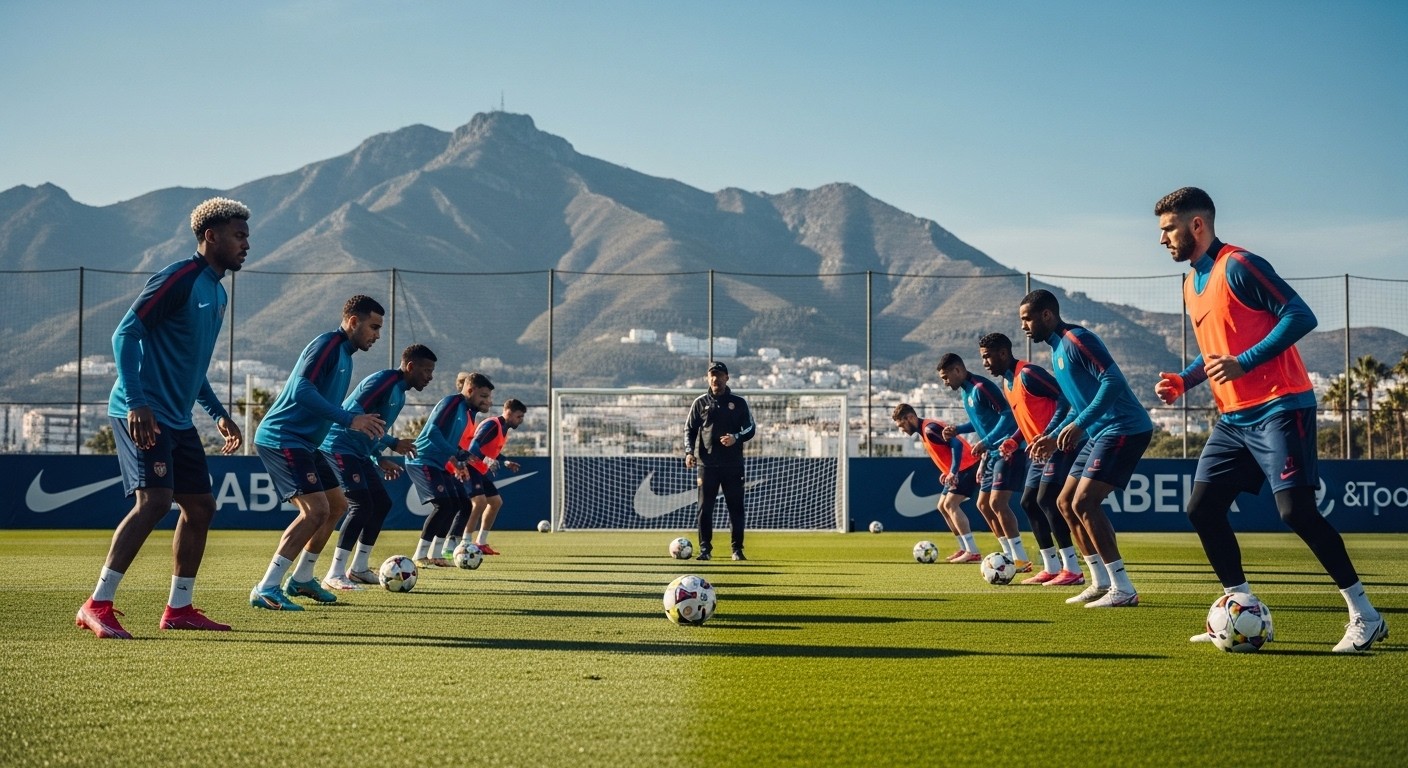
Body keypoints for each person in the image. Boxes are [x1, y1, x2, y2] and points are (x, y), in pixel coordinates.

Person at [1154, 186, 1386, 652]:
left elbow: (1301, 314)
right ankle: (1237, 609)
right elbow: (1215, 353)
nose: (1163, 239)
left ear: (1196, 224)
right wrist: (1184, 380)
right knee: (1202, 508)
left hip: (1282, 406)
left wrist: (1248, 360)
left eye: (1169, 229)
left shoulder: (1238, 265)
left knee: (1296, 511)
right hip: (1233, 419)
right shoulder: (1188, 284)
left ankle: (1366, 614)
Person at [76, 197, 249, 638]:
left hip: (176, 416)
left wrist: (218, 414)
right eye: (239, 235)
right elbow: (124, 333)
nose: (246, 244)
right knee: (154, 501)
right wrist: (136, 402)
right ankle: (97, 603)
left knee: (200, 506)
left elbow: (193, 366)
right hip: (142, 412)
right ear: (211, 236)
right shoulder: (179, 278)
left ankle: (179, 608)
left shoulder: (219, 292)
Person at [248, 295, 387, 610]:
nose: (377, 335)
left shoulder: (345, 356)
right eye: (374, 327)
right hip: (283, 437)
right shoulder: (327, 345)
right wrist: (350, 419)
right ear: (353, 321)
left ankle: (302, 578)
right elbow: (302, 389)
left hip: (306, 444)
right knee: (315, 511)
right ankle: (267, 587)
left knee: (336, 506)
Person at [1020, 289, 1152, 608]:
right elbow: (1071, 403)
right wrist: (1051, 435)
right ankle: (1100, 581)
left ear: (1047, 315)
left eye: (1027, 318)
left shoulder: (1077, 340)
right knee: (1064, 502)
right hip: (1098, 433)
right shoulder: (1055, 351)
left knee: (1085, 502)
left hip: (1123, 427)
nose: (1024, 326)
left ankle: (1123, 587)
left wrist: (1080, 425)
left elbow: (1113, 381)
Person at [317, 344, 438, 590]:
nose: (430, 376)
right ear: (410, 366)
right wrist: (392, 442)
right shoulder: (384, 381)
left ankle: (359, 569)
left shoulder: (400, 393)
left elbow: (371, 428)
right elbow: (353, 414)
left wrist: (378, 457)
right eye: (426, 370)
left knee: (381, 503)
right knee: (361, 505)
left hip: (359, 453)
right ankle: (335, 573)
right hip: (339, 446)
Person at [978, 332, 1085, 586]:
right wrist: (1015, 439)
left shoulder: (1027, 374)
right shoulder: (1008, 383)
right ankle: (1051, 567)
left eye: (987, 357)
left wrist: (1050, 434)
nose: (984, 363)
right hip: (1037, 450)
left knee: (1047, 499)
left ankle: (1072, 569)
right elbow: (1024, 418)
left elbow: (1065, 399)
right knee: (1029, 503)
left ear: (1003, 354)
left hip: (1058, 444)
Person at [936, 353, 1033, 572]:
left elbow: (1008, 415)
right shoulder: (966, 391)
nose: (945, 382)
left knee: (997, 503)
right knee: (983, 505)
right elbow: (980, 421)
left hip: (1008, 450)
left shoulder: (981, 387)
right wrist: (959, 429)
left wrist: (986, 441)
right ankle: (1008, 555)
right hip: (990, 454)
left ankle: (1021, 559)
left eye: (946, 377)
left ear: (958, 371)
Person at [406, 371, 494, 568]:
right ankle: (420, 555)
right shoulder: (452, 403)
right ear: (470, 390)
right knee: (444, 504)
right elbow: (431, 433)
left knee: (460, 503)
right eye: (483, 396)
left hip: (438, 463)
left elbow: (450, 441)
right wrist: (457, 452)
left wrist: (457, 461)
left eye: (488, 397)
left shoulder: (467, 411)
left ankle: (436, 554)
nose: (487, 401)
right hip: (421, 460)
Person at [891, 403, 982, 563]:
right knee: (942, 506)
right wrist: (948, 471)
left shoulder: (929, 429)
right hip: (958, 468)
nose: (902, 429)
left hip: (967, 467)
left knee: (951, 505)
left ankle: (973, 551)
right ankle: (964, 548)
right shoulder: (925, 431)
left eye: (902, 425)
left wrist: (953, 471)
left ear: (910, 418)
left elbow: (956, 444)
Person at [684, 361, 755, 561]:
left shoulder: (738, 403)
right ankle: (705, 550)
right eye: (712, 375)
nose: (715, 378)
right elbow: (689, 429)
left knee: (735, 509)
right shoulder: (700, 403)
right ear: (708, 378)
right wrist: (689, 452)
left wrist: (736, 438)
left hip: (733, 465)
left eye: (719, 375)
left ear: (727, 378)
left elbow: (751, 429)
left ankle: (737, 550)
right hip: (707, 466)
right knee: (704, 509)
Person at [453, 398, 527, 556]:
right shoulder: (492, 424)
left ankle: (480, 543)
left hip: (480, 469)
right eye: (519, 416)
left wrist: (504, 461)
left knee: (495, 502)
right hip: (471, 468)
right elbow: (474, 445)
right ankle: (465, 544)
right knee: (479, 503)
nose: (521, 420)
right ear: (508, 412)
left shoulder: (503, 428)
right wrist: (485, 460)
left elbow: (491, 449)